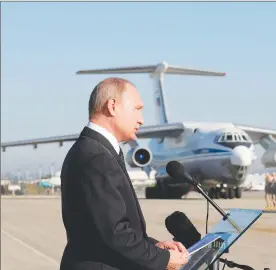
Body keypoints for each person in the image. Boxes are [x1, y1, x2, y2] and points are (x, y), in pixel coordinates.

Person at [59, 77, 189, 270]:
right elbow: (115, 233)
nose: (141, 119)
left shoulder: (94, 150)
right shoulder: (96, 157)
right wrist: (162, 259)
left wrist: (154, 247)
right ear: (112, 106)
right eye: (137, 109)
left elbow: (106, 228)